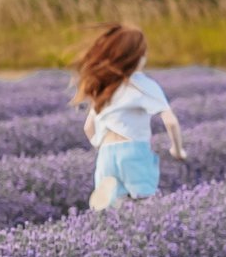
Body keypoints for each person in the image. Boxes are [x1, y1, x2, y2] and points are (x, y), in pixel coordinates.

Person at [75, 22, 189, 210]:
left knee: (112, 209)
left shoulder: (105, 86)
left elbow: (88, 127)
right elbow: (171, 122)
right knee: (144, 203)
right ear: (136, 57)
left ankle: (109, 205)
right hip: (134, 150)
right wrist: (177, 150)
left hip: (105, 153)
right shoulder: (143, 84)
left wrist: (100, 145)